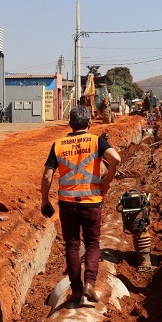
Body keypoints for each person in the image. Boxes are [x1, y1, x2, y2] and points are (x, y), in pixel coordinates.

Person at [41, 104, 122, 307]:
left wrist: (44, 200)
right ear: (90, 122)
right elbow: (116, 158)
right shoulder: (97, 141)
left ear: (70, 122)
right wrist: (107, 179)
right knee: (93, 244)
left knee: (72, 245)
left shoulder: (58, 144)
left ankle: (76, 290)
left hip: (67, 203)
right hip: (92, 203)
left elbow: (47, 175)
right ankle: (90, 284)